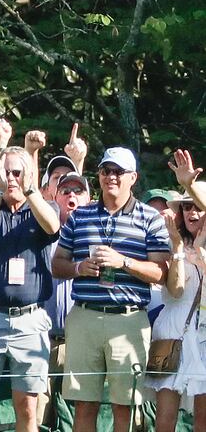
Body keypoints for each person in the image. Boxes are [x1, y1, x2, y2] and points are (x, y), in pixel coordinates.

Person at [52, 147, 169, 432]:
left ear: (133, 177)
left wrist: (124, 262)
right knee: (83, 404)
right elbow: (57, 264)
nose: (111, 177)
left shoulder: (149, 217)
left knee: (125, 406)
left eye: (118, 171)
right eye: (106, 170)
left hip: (129, 319)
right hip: (84, 316)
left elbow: (161, 273)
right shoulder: (80, 216)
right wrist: (79, 268)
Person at [0, 145, 60, 432]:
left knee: (28, 407)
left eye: (17, 172)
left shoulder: (43, 207)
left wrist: (30, 191)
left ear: (29, 175)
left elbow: (53, 227)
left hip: (30, 320)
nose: (11, 178)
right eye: (5, 172)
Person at [145, 150, 206, 432]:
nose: (192, 212)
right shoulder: (169, 241)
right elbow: (176, 291)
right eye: (186, 207)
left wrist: (189, 184)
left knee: (203, 419)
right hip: (171, 329)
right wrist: (179, 250)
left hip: (203, 335)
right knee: (164, 419)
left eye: (197, 206)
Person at [37, 171, 91, 427]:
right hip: (43, 339)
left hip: (81, 342)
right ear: (54, 197)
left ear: (89, 199)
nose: (72, 195)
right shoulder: (41, 234)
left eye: (78, 191)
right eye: (65, 191)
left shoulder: (96, 235)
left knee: (76, 417)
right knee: (37, 415)